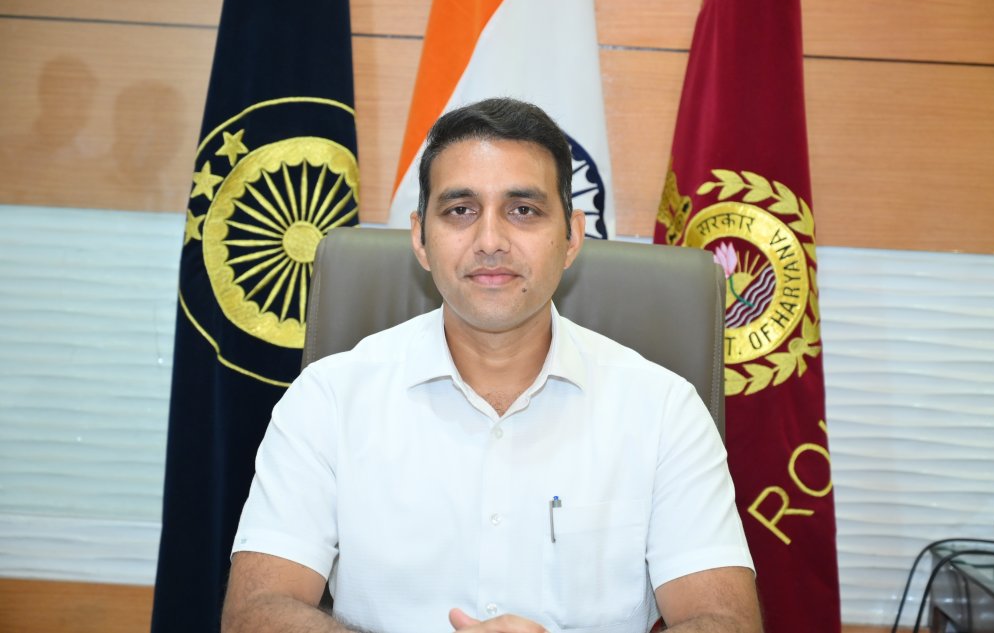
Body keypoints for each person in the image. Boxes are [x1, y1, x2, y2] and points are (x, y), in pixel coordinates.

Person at [222, 98, 762, 633]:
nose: (490, 242)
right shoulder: (328, 399)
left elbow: (726, 621)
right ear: (420, 239)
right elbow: (255, 612)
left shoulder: (663, 409)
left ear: (572, 238)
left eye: (522, 210)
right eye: (460, 210)